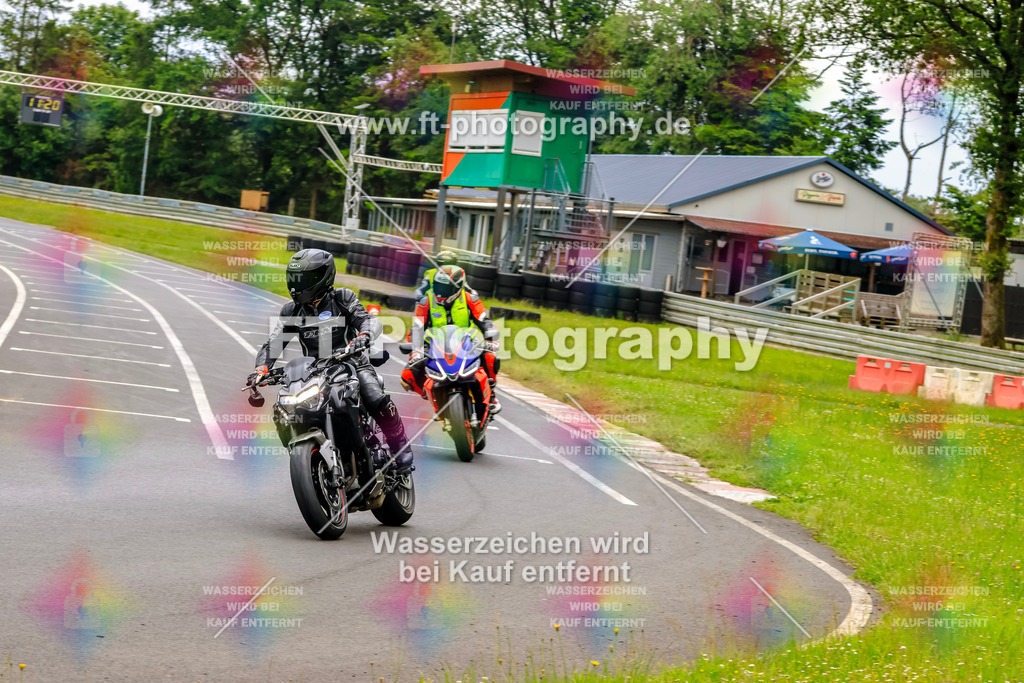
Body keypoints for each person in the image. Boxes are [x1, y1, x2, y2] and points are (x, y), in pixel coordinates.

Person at [249, 248, 413, 473]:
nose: (297, 284)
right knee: (285, 408)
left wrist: (363, 336)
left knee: (374, 397)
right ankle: (308, 460)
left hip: (352, 364)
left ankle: (400, 443)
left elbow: (368, 320)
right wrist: (261, 370)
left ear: (324, 276)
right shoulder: (292, 310)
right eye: (295, 278)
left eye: (305, 278)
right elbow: (274, 344)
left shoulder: (342, 298)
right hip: (315, 372)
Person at [401, 265, 501, 415]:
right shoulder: (426, 301)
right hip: (435, 344)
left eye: (445, 288)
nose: (440, 292)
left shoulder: (469, 299)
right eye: (438, 286)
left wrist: (491, 338)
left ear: (458, 287)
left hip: (465, 342)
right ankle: (431, 394)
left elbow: (485, 320)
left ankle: (491, 394)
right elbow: (417, 327)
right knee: (406, 377)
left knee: (490, 356)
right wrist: (416, 350)